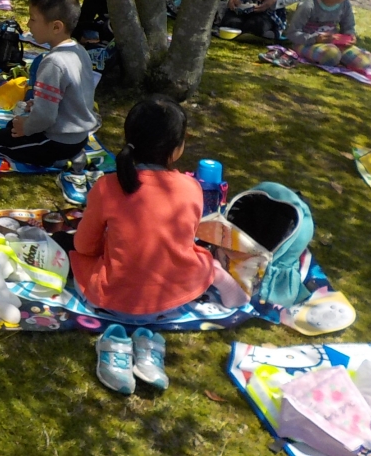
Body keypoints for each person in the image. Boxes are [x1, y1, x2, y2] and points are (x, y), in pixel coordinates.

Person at [69, 96, 248, 394]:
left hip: (110, 299)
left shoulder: (106, 187)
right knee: (201, 257)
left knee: (76, 256)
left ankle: (116, 342)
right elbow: (183, 240)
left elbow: (84, 247)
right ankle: (222, 282)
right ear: (177, 149)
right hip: (173, 301)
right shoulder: (192, 188)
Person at [0, 0, 100, 168]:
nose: (28, 24)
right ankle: (71, 154)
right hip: (79, 136)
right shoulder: (79, 50)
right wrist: (35, 106)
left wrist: (27, 127)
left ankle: (63, 161)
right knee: (13, 126)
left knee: (2, 141)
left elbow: (45, 118)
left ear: (56, 27)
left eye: (33, 19)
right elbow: (70, 98)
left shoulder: (53, 63)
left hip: (59, 140)